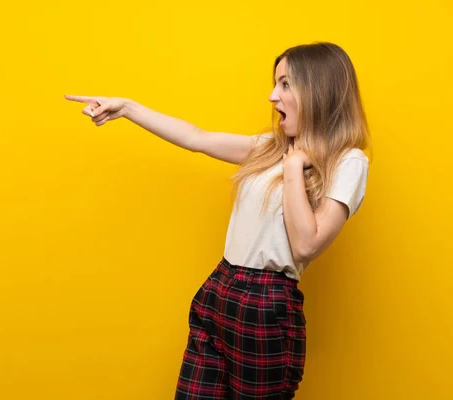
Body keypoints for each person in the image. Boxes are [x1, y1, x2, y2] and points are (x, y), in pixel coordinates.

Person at [65, 41, 370, 399]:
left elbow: (306, 245)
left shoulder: (348, 161)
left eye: (285, 84)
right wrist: (128, 108)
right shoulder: (271, 147)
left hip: (266, 305)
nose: (273, 96)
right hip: (220, 287)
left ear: (318, 89)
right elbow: (198, 138)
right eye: (275, 83)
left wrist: (292, 169)